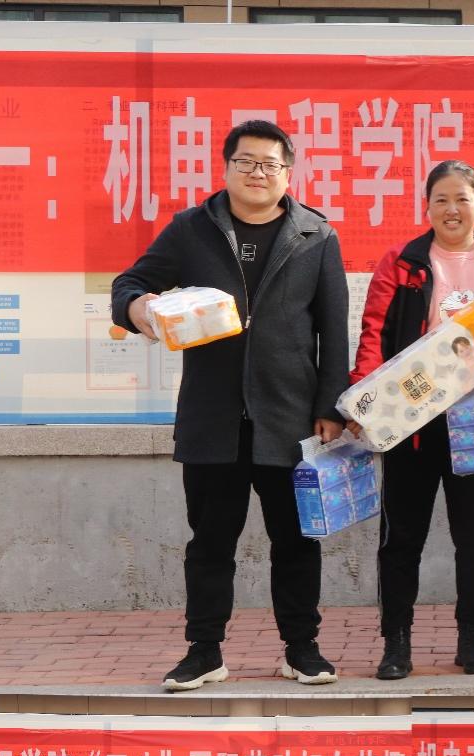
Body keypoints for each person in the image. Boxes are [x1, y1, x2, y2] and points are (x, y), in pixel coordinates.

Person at [111, 119, 350, 691]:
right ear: (226, 168)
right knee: (210, 542)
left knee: (296, 541)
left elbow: (333, 331)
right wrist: (141, 311)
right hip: (212, 415)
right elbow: (129, 284)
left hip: (289, 416)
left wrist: (331, 407)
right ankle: (204, 652)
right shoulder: (191, 229)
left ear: (288, 173)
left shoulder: (316, 235)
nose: (257, 173)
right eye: (245, 162)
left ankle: (302, 648)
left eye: (269, 164)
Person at [349, 159, 474, 680]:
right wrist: (363, 401)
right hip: (412, 422)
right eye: (441, 200)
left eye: (462, 199)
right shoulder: (403, 262)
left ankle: (472, 639)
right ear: (426, 207)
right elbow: (374, 331)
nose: (452, 210)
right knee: (401, 539)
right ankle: (396, 643)